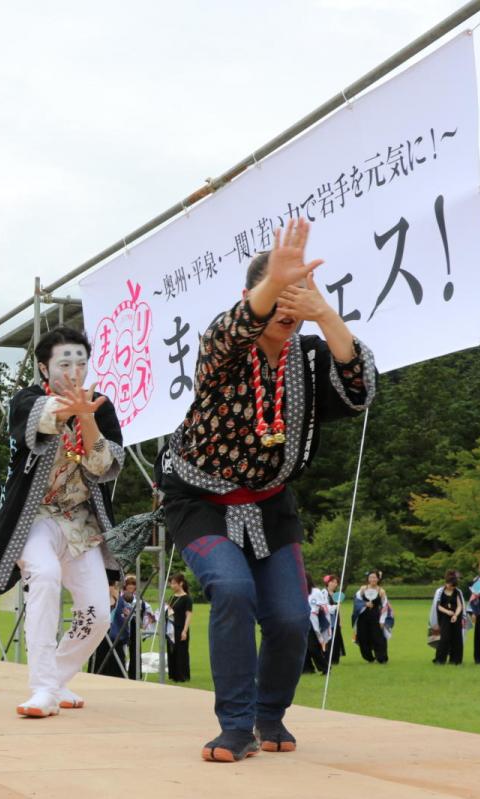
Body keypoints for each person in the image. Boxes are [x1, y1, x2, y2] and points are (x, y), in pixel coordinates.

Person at [153, 218, 376, 762]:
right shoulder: (225, 351)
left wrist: (322, 312)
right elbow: (225, 332)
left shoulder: (311, 357)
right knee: (230, 588)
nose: (285, 308)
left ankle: (268, 713)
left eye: (295, 297)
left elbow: (360, 389)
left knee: (291, 617)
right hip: (198, 498)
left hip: (270, 503)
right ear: (253, 296)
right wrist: (272, 284)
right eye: (274, 295)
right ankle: (234, 725)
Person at [0, 326, 125, 718]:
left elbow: (103, 464)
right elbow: (38, 427)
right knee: (43, 575)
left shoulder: (100, 406)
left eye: (81, 361)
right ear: (45, 368)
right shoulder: (26, 400)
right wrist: (69, 409)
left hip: (80, 522)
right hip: (36, 517)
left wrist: (86, 416)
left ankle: (56, 677)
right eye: (65, 362)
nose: (75, 369)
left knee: (97, 614)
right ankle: (42, 688)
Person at [111, 575, 144, 681]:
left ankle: (135, 674)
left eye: (133, 585)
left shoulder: (139, 599)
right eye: (129, 584)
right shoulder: (119, 597)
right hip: (121, 624)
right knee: (121, 649)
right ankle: (121, 671)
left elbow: (143, 612)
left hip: (134, 624)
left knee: (135, 649)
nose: (131, 587)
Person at [354, 571, 389, 664]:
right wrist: (365, 604)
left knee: (378, 637)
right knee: (363, 637)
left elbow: (385, 606)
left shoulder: (381, 591)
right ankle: (368, 657)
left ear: (378, 579)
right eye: (371, 577)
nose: (373, 579)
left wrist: (382, 620)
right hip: (363, 617)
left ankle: (381, 657)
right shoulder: (362, 589)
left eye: (374, 577)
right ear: (368, 579)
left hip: (376, 617)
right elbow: (357, 601)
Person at [431, 570, 465, 665]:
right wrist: (447, 612)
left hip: (455, 618)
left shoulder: (458, 592)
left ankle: (455, 660)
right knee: (444, 638)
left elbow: (460, 605)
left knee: (457, 638)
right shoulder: (440, 592)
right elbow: (437, 606)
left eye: (454, 586)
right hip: (444, 618)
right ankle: (440, 660)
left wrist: (455, 615)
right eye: (450, 585)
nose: (451, 588)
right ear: (447, 583)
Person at [166, 573, 193, 683]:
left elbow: (189, 615)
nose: (171, 586)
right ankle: (173, 675)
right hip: (171, 628)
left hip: (181, 628)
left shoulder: (187, 598)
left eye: (173, 583)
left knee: (181, 652)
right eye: (171, 583)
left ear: (180, 583)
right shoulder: (172, 597)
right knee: (172, 651)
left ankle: (182, 675)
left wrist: (184, 631)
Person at [303, 573, 329, 675]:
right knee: (303, 647)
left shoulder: (316, 592)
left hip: (312, 623)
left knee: (313, 647)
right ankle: (307, 668)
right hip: (300, 622)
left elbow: (323, 606)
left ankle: (324, 667)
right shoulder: (297, 591)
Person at [322, 575, 347, 665]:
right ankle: (327, 657)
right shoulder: (324, 593)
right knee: (328, 639)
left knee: (336, 639)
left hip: (335, 619)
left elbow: (338, 610)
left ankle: (335, 659)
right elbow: (325, 607)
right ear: (327, 583)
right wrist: (335, 606)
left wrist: (340, 621)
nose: (334, 584)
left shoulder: (337, 595)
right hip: (327, 619)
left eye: (336, 582)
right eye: (332, 582)